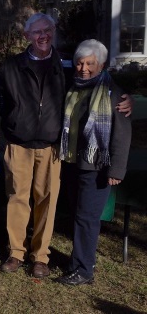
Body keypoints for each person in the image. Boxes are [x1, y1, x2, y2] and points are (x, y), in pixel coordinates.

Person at [0, 13, 132, 278]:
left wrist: (128, 99)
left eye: (48, 30)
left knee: (47, 201)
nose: (43, 36)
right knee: (17, 199)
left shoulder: (67, 66)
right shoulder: (11, 66)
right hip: (19, 144)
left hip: (52, 147)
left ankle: (41, 257)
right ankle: (15, 253)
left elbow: (98, 82)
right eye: (37, 32)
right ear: (26, 36)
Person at [55, 40, 131, 286]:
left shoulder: (114, 93)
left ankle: (83, 270)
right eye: (80, 62)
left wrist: (116, 169)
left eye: (90, 63)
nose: (84, 68)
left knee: (87, 218)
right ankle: (80, 262)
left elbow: (122, 132)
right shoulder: (73, 86)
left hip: (96, 166)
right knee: (78, 215)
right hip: (72, 162)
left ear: (102, 65)